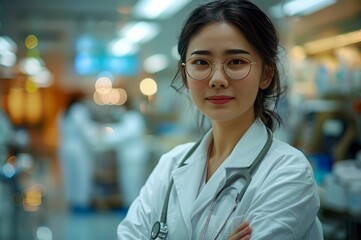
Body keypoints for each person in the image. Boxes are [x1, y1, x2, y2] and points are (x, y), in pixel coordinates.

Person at [117, 0, 323, 239]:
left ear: (266, 74)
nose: (217, 79)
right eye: (201, 62)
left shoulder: (288, 172)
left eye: (236, 62)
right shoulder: (171, 165)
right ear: (186, 75)